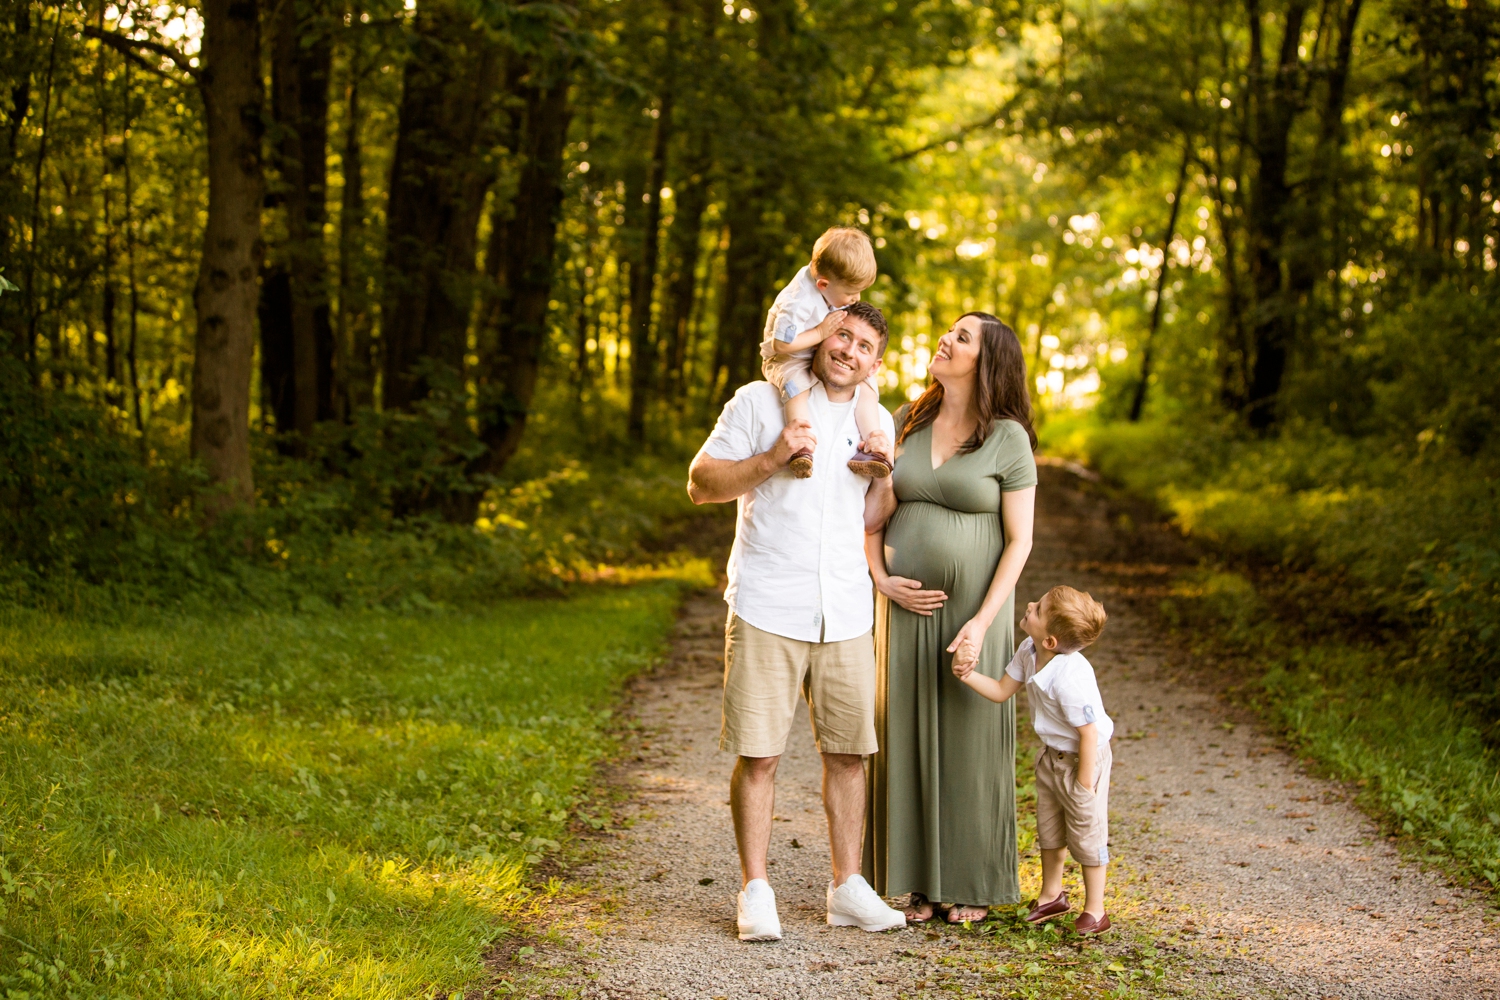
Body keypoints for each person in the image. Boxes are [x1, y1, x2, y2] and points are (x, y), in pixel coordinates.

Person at [687, 301, 907, 942]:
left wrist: (884, 475)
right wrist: (773, 457)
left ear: (875, 362)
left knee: (849, 755)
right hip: (767, 603)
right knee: (760, 756)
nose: (850, 350)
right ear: (822, 334)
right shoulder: (760, 401)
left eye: (866, 345)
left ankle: (846, 888)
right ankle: (756, 891)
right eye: (844, 334)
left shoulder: (874, 420)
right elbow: (701, 483)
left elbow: (868, 518)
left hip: (844, 608)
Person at [862, 311, 1037, 924]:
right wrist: (882, 580)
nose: (947, 339)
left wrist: (984, 622)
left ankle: (968, 879)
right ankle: (904, 877)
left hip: (974, 612)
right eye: (950, 331)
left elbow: (1019, 541)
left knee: (969, 737)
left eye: (963, 337)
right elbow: (873, 514)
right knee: (899, 728)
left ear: (987, 362)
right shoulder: (909, 418)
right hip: (903, 609)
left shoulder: (1007, 438)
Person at [952, 585, 1114, 934]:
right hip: (1052, 757)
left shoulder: (1069, 678)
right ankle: (1051, 894)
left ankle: (1096, 910)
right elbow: (1000, 691)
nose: (1030, 605)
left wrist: (1084, 786)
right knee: (1050, 827)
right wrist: (966, 674)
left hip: (1083, 760)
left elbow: (1088, 735)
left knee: (1086, 831)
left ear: (1051, 641)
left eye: (1038, 609)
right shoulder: (1029, 649)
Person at [760, 227, 893, 480]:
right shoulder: (797, 301)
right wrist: (821, 332)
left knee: (866, 383)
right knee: (797, 386)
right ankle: (800, 447)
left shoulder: (830, 281)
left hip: (814, 348)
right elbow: (780, 344)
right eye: (851, 293)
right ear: (823, 284)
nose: (856, 299)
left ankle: (873, 443)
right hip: (789, 356)